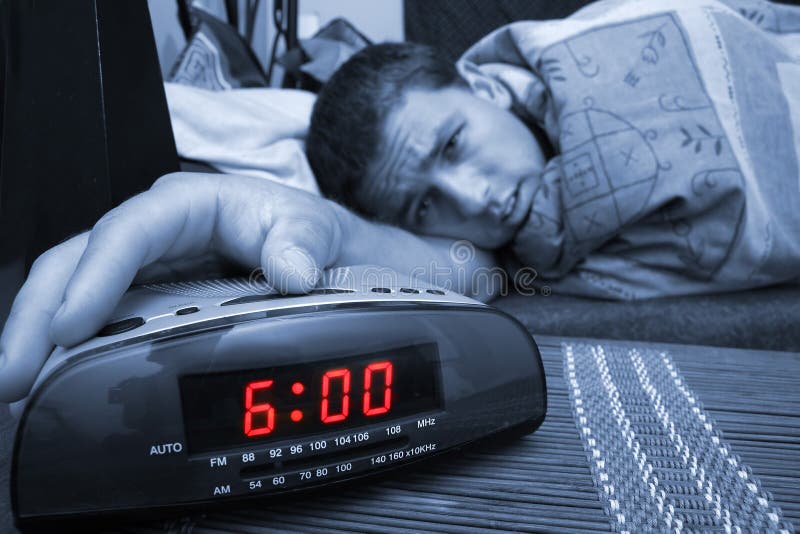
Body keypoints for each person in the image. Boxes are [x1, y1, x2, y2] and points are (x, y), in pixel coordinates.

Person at [2, 0, 799, 402]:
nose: (478, 200)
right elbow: (472, 268)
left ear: (482, 85)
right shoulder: (516, 256)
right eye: (423, 207)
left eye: (452, 144)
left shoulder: (594, 45)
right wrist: (336, 236)